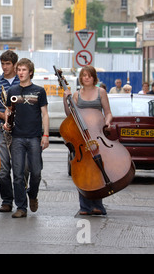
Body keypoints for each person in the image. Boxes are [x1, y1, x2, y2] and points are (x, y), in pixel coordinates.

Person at [63, 65, 111, 216]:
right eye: (84, 75)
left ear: (94, 77)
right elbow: (69, 115)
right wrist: (66, 99)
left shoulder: (101, 92)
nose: (87, 77)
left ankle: (98, 205)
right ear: (81, 78)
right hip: (82, 137)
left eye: (89, 75)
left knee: (98, 169)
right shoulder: (76, 95)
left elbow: (108, 112)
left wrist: (107, 122)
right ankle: (84, 206)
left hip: (97, 135)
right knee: (83, 170)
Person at [5, 58, 49, 218]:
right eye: (19, 70)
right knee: (17, 173)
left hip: (34, 138)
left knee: (36, 173)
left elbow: (45, 114)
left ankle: (32, 194)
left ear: (30, 72)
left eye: (24, 70)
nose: (21, 73)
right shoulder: (12, 91)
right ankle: (21, 207)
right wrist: (6, 123)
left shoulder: (39, 91)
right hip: (17, 137)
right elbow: (9, 111)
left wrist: (46, 135)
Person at [0, 50, 20, 213]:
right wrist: (3, 116)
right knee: (3, 168)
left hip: (20, 129)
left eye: (8, 63)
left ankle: (21, 198)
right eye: (3, 63)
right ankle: (7, 200)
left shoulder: (22, 81)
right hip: (2, 128)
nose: (5, 66)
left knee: (20, 167)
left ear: (15, 65)